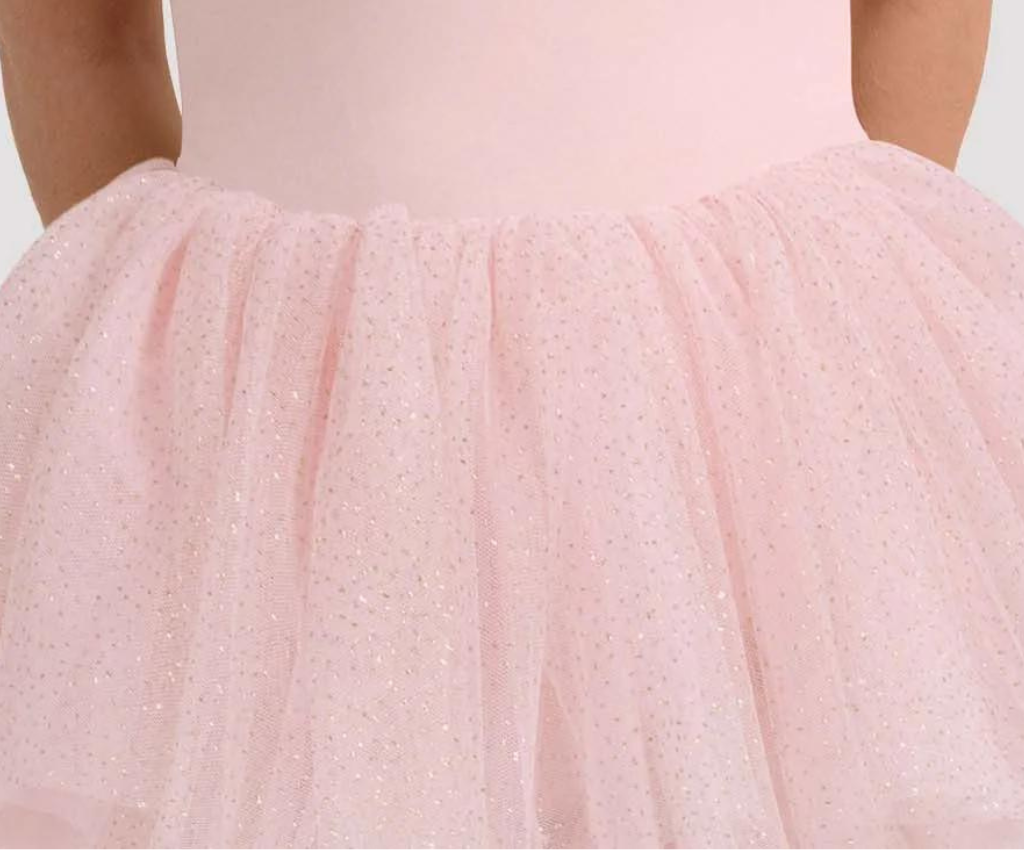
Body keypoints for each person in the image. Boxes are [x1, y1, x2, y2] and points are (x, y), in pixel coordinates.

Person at [0, 1, 1021, 847]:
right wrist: (208, 361)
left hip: (766, 391)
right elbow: (77, 29)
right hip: (300, 419)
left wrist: (820, 338)